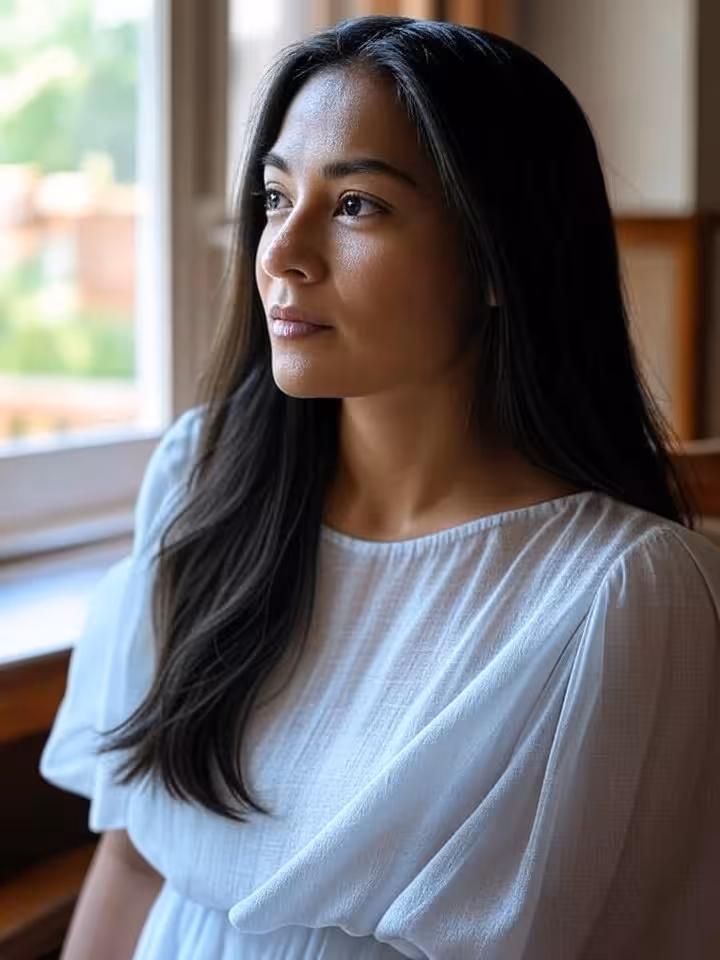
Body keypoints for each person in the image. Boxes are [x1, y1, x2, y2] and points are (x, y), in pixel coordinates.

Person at [40, 15, 720, 960]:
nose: (282, 252)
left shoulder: (625, 595)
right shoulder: (202, 479)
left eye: (356, 205)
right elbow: (133, 860)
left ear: (498, 256)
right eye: (276, 197)